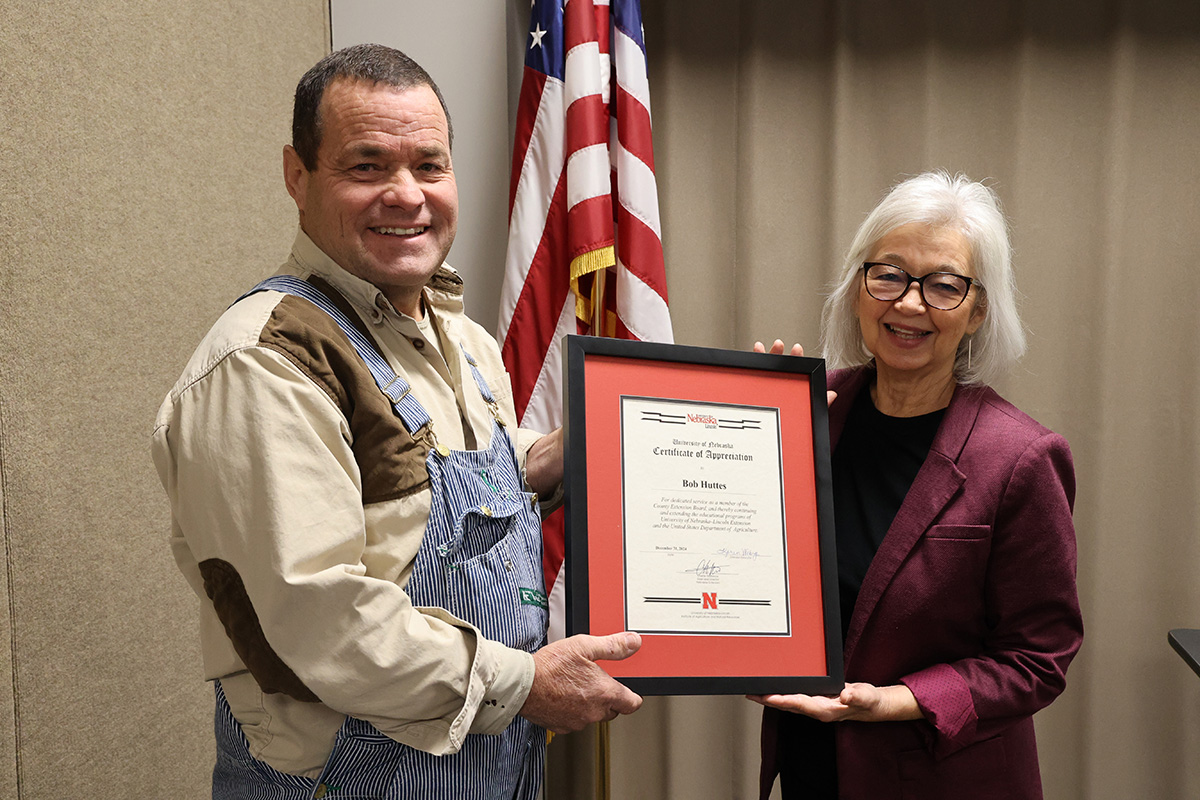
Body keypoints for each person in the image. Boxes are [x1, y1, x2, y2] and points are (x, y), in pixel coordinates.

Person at [151, 44, 641, 800]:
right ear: (297, 175)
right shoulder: (266, 362)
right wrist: (526, 685)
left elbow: (444, 478)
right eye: (367, 166)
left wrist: (661, 425)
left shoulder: (463, 340)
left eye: (429, 165)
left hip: (489, 766)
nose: (406, 194)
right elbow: (324, 625)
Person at [751, 171, 1083, 799]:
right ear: (858, 289)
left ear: (978, 310)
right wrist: (746, 430)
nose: (909, 303)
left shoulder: (1022, 458)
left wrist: (899, 700)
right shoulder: (805, 415)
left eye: (944, 285)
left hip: (943, 777)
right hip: (809, 765)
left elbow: (1039, 658)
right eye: (890, 275)